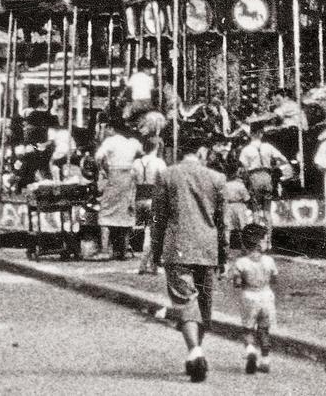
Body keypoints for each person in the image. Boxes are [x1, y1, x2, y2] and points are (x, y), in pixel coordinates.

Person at [150, 140, 227, 383]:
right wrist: (223, 254)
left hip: (178, 247)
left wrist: (156, 249)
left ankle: (195, 351)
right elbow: (222, 221)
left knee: (185, 301)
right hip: (207, 248)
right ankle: (196, 351)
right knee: (203, 304)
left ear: (178, 153)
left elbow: (158, 217)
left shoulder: (166, 175)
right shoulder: (217, 178)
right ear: (202, 152)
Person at [228, 222, 277, 375]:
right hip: (266, 296)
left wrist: (241, 281)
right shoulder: (269, 261)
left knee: (248, 329)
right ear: (261, 242)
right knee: (264, 330)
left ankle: (250, 350)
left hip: (248, 296)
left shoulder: (241, 263)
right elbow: (274, 279)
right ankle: (265, 360)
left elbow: (237, 283)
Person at [94, 117, 143, 260]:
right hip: (129, 178)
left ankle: (104, 250)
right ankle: (123, 250)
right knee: (126, 211)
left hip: (114, 176)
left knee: (106, 211)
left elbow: (98, 157)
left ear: (111, 128)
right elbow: (142, 153)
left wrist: (103, 169)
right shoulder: (132, 142)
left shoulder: (110, 141)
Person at [135, 137, 167, 275]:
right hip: (153, 200)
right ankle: (149, 265)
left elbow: (133, 182)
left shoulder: (137, 162)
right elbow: (165, 181)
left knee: (145, 231)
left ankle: (146, 264)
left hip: (139, 199)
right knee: (153, 233)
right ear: (157, 147)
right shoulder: (159, 163)